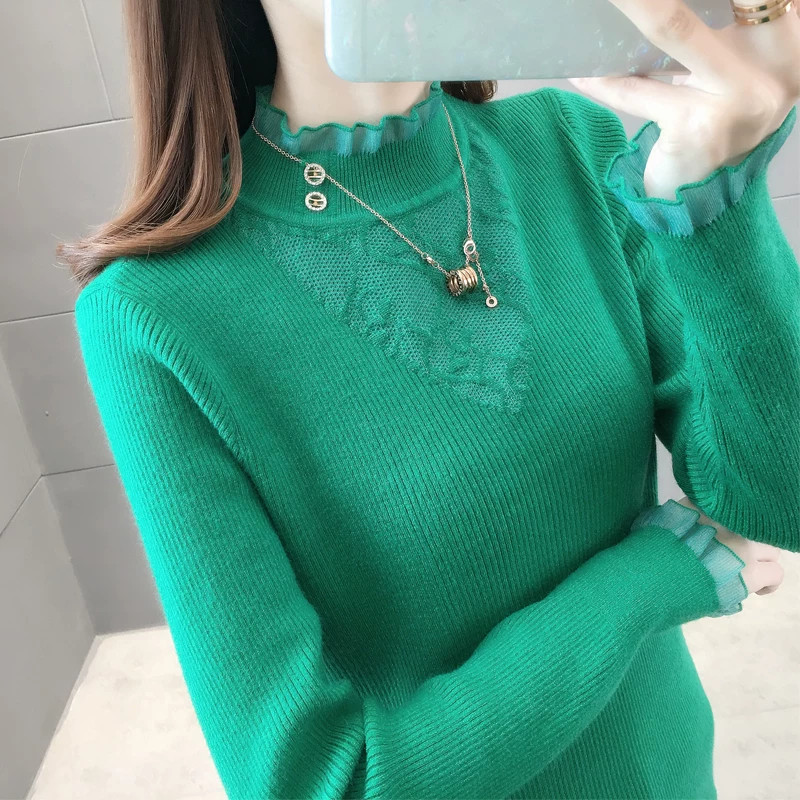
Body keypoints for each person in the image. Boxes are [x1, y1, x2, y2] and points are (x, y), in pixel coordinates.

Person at [58, 0, 800, 797]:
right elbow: (325, 783)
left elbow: (778, 503)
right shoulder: (153, 315)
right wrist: (656, 575)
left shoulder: (570, 145)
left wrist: (716, 204)